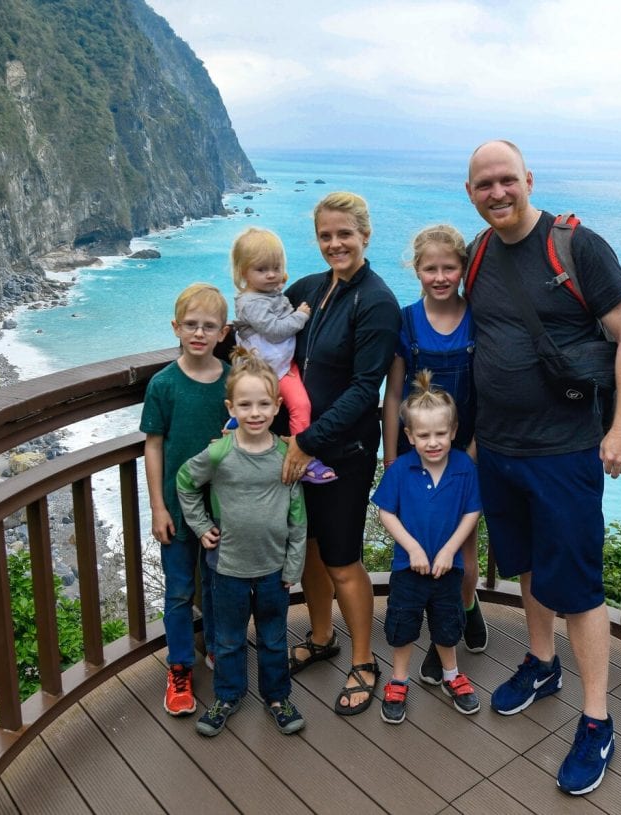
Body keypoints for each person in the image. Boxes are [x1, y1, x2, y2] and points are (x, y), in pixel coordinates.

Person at [464, 140, 621, 795]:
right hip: (500, 448)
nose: (497, 192)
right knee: (526, 564)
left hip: (566, 449)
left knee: (578, 584)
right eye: (484, 183)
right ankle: (542, 663)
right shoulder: (478, 253)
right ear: (471, 192)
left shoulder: (578, 246)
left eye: (506, 179)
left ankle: (597, 717)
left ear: (528, 179)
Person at [281, 191, 401, 715]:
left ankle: (363, 660)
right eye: (326, 235)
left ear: (365, 235)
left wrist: (308, 442)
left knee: (343, 558)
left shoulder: (376, 301)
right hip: (296, 449)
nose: (335, 244)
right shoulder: (309, 289)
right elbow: (266, 337)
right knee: (310, 547)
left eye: (344, 234)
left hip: (343, 451)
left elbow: (363, 389)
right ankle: (323, 634)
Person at [176, 348, 308, 737]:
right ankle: (228, 696)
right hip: (228, 568)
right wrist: (200, 525)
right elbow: (185, 482)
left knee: (273, 638)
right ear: (231, 406)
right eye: (245, 404)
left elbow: (298, 516)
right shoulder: (220, 452)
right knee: (229, 640)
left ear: (277, 406)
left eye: (264, 404)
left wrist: (294, 566)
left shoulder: (286, 455)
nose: (255, 412)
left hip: (273, 570)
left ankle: (277, 697)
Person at [381, 225, 488, 685]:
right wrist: (391, 457)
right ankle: (437, 629)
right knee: (419, 542)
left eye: (449, 267)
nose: (440, 276)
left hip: (464, 449)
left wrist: (473, 452)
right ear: (416, 270)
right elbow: (393, 393)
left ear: (463, 269)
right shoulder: (406, 321)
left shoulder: (478, 319)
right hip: (413, 449)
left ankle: (463, 607)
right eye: (431, 268)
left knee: (463, 546)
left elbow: (488, 393)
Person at [140, 282, 231, 717]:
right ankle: (179, 666)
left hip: (223, 509)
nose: (199, 333)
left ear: (224, 331)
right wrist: (157, 506)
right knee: (178, 591)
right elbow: (153, 445)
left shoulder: (232, 380)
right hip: (176, 510)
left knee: (217, 585)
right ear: (176, 328)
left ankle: (216, 647)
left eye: (208, 326)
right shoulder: (163, 384)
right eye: (191, 325)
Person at [373, 370, 482, 724]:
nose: (432, 442)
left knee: (447, 624)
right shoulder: (401, 470)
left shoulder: (464, 467)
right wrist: (413, 549)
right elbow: (385, 512)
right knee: (403, 624)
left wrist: (450, 550)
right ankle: (399, 678)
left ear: (452, 432)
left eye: (440, 434)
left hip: (447, 569)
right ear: (409, 435)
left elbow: (471, 512)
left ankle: (451, 675)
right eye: (423, 435)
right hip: (409, 569)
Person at [229, 226, 336, 483]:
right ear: (244, 272)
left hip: (284, 368)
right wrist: (301, 315)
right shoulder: (250, 303)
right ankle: (234, 433)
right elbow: (276, 331)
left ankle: (303, 455)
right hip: (259, 374)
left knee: (302, 405)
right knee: (253, 411)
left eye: (276, 268)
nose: (271, 274)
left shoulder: (272, 295)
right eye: (262, 269)